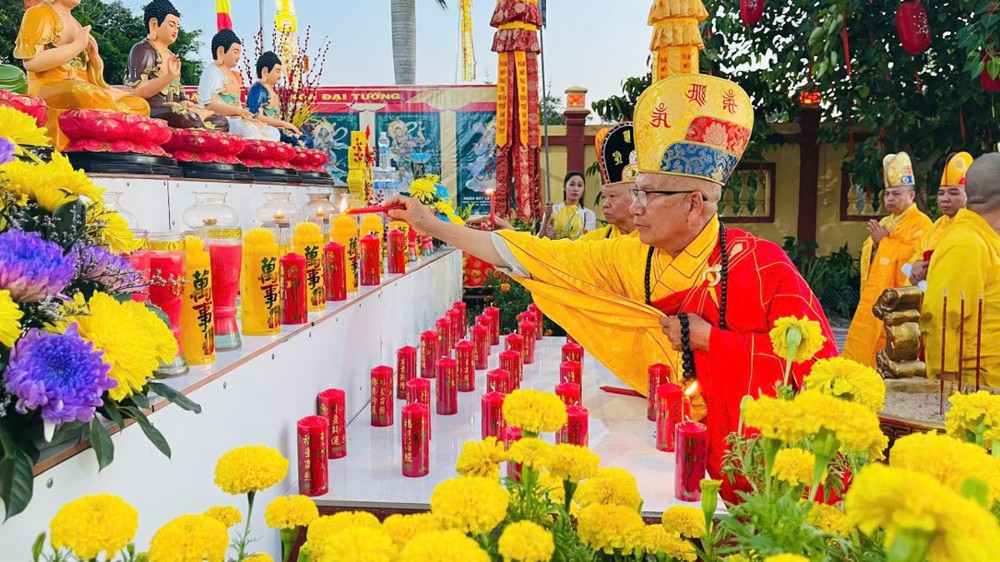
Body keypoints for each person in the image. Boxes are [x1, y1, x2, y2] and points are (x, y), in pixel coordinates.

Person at [386, 74, 838, 500]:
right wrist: (432, 224)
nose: (635, 207)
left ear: (693, 205)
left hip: (765, 473)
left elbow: (821, 377)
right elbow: (536, 256)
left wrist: (711, 342)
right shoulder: (633, 256)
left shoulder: (762, 266)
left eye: (648, 194)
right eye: (635, 192)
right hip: (675, 452)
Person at [15, 0, 149, 147]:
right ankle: (111, 123)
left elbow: (89, 76)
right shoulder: (39, 13)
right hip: (49, 89)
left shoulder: (76, 24)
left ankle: (107, 119)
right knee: (82, 92)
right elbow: (32, 62)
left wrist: (95, 59)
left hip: (85, 91)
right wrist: (77, 45)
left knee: (140, 105)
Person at [843, 152, 932, 368]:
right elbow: (870, 258)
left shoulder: (922, 224)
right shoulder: (886, 222)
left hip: (901, 305)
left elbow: (914, 265)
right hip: (877, 299)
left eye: (896, 194)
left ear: (911, 195)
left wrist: (885, 243)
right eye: (888, 194)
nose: (890, 198)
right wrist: (876, 246)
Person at [920, 153, 1000, 387]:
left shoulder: (986, 240)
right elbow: (941, 320)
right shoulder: (966, 244)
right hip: (975, 387)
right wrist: (949, 388)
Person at [125, 0, 229, 131]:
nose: (175, 30)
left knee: (221, 121)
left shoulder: (172, 56)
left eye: (177, 27)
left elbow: (179, 93)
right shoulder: (143, 49)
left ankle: (196, 120)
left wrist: (185, 102)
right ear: (154, 24)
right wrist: (168, 77)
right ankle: (197, 120)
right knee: (179, 113)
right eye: (171, 25)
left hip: (178, 111)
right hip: (153, 110)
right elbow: (137, 92)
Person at [197, 29, 279, 141]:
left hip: (237, 119)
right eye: (235, 52)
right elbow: (208, 106)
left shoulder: (231, 75)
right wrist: (238, 112)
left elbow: (238, 106)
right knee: (247, 129)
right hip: (220, 119)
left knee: (272, 131)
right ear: (221, 51)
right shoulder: (213, 71)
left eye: (239, 52)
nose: (238, 56)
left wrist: (247, 116)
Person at [907, 152, 971, 286]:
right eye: (941, 193)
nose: (944, 199)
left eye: (954, 193)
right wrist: (917, 264)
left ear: (970, 195)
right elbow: (921, 250)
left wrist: (932, 267)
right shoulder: (939, 224)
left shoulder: (973, 223)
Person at [580, 122, 638, 241]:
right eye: (604, 197)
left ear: (637, 198)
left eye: (612, 196)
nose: (605, 204)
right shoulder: (595, 240)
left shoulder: (659, 243)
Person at [246, 51, 303, 142]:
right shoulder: (258, 89)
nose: (279, 76)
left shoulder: (270, 90)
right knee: (299, 142)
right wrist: (285, 124)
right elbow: (255, 116)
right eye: (277, 71)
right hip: (266, 132)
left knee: (305, 140)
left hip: (276, 130)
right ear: (265, 71)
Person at [539, 172, 597, 240]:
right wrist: (546, 218)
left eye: (580, 185)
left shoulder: (588, 214)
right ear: (564, 187)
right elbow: (540, 238)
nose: (576, 189)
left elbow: (587, 240)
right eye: (572, 185)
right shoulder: (553, 210)